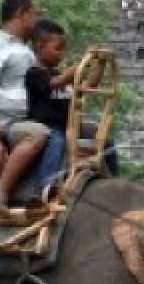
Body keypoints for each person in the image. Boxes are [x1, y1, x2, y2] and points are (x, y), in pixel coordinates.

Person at [0, 0, 51, 214]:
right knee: (38, 134)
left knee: (93, 133)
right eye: (35, 14)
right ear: (21, 14)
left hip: (32, 117)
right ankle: (2, 195)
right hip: (8, 126)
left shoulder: (26, 50)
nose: (37, 21)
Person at [23, 19, 118, 191]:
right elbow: (55, 83)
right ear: (39, 46)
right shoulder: (34, 74)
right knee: (57, 142)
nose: (61, 54)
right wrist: (81, 63)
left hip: (70, 125)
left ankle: (114, 182)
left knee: (105, 140)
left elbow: (90, 85)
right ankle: (44, 187)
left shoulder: (60, 73)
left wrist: (100, 63)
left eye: (63, 49)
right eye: (58, 49)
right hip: (49, 126)